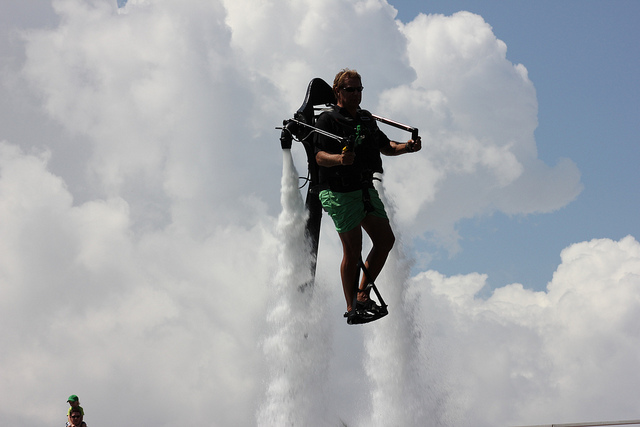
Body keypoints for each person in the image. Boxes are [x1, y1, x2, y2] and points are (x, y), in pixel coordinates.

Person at [314, 68, 421, 323]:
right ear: (338, 91)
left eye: (360, 89)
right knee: (354, 250)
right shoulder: (327, 121)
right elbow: (318, 156)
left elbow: (387, 147)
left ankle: (363, 294)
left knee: (385, 240)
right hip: (339, 192)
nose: (356, 94)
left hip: (364, 189)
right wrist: (340, 159)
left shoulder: (366, 119)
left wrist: (408, 147)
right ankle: (352, 307)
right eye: (351, 89)